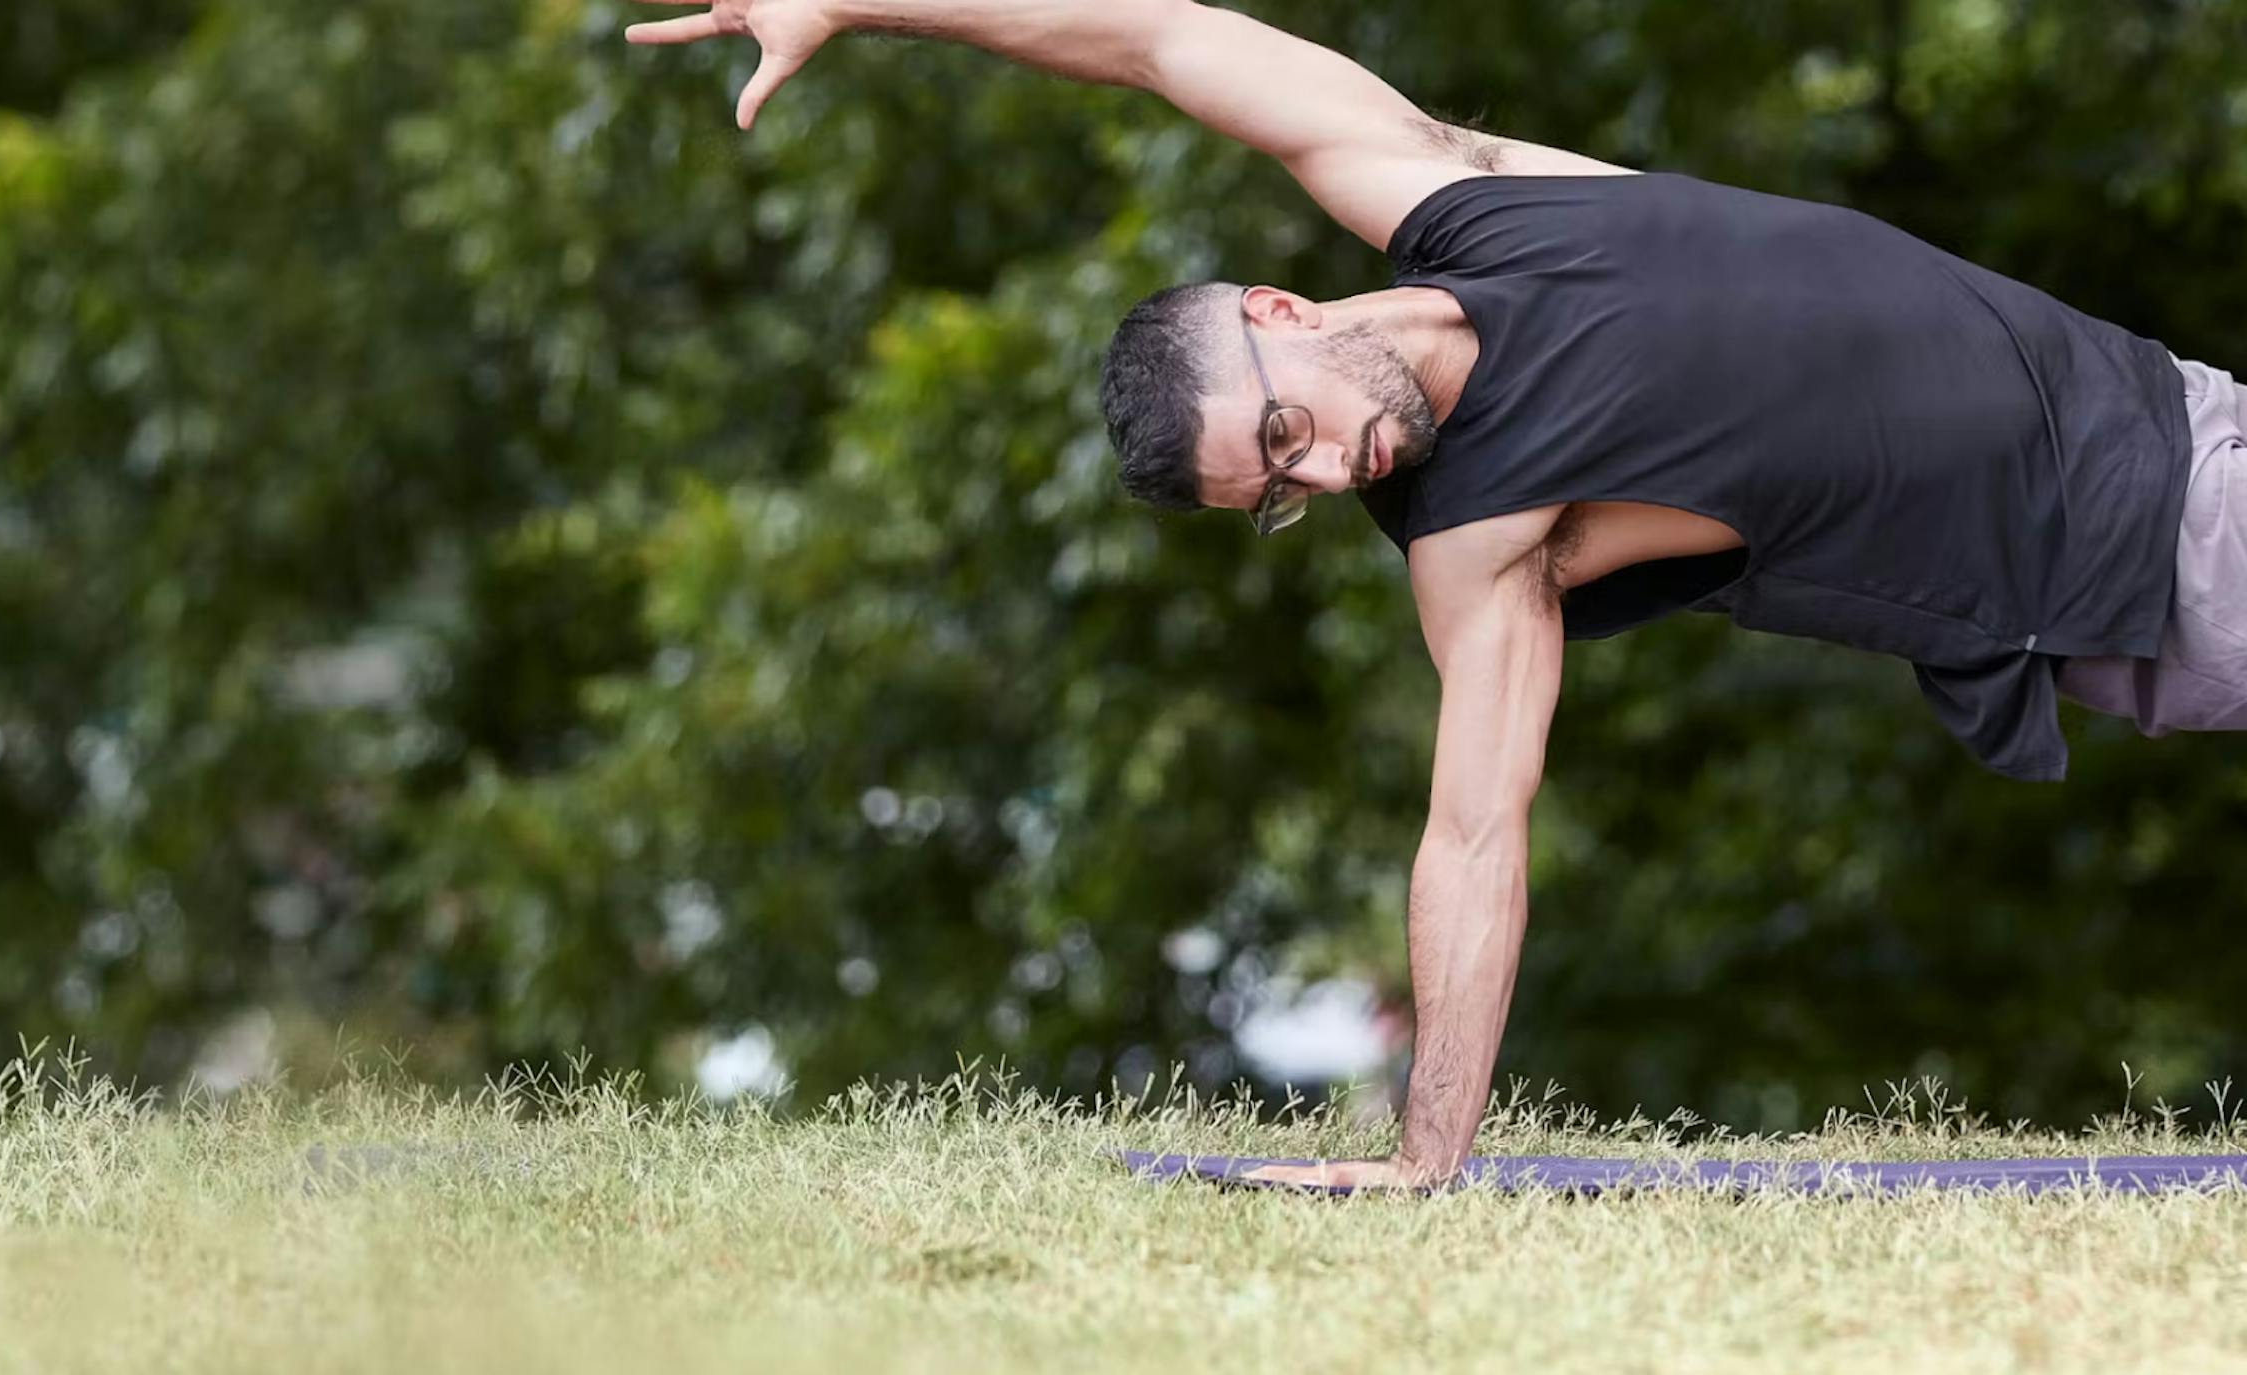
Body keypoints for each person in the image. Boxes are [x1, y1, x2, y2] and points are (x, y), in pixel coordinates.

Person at [624, 0, 2246, 1189]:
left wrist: (857, 0)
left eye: (1283, 431)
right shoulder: (1483, 540)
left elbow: (1163, 40)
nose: (1318, 475)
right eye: (1279, 495)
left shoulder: (1459, 192)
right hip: (2150, 572)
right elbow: (1474, 836)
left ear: (1279, 308)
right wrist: (1425, 1160)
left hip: (2179, 415)